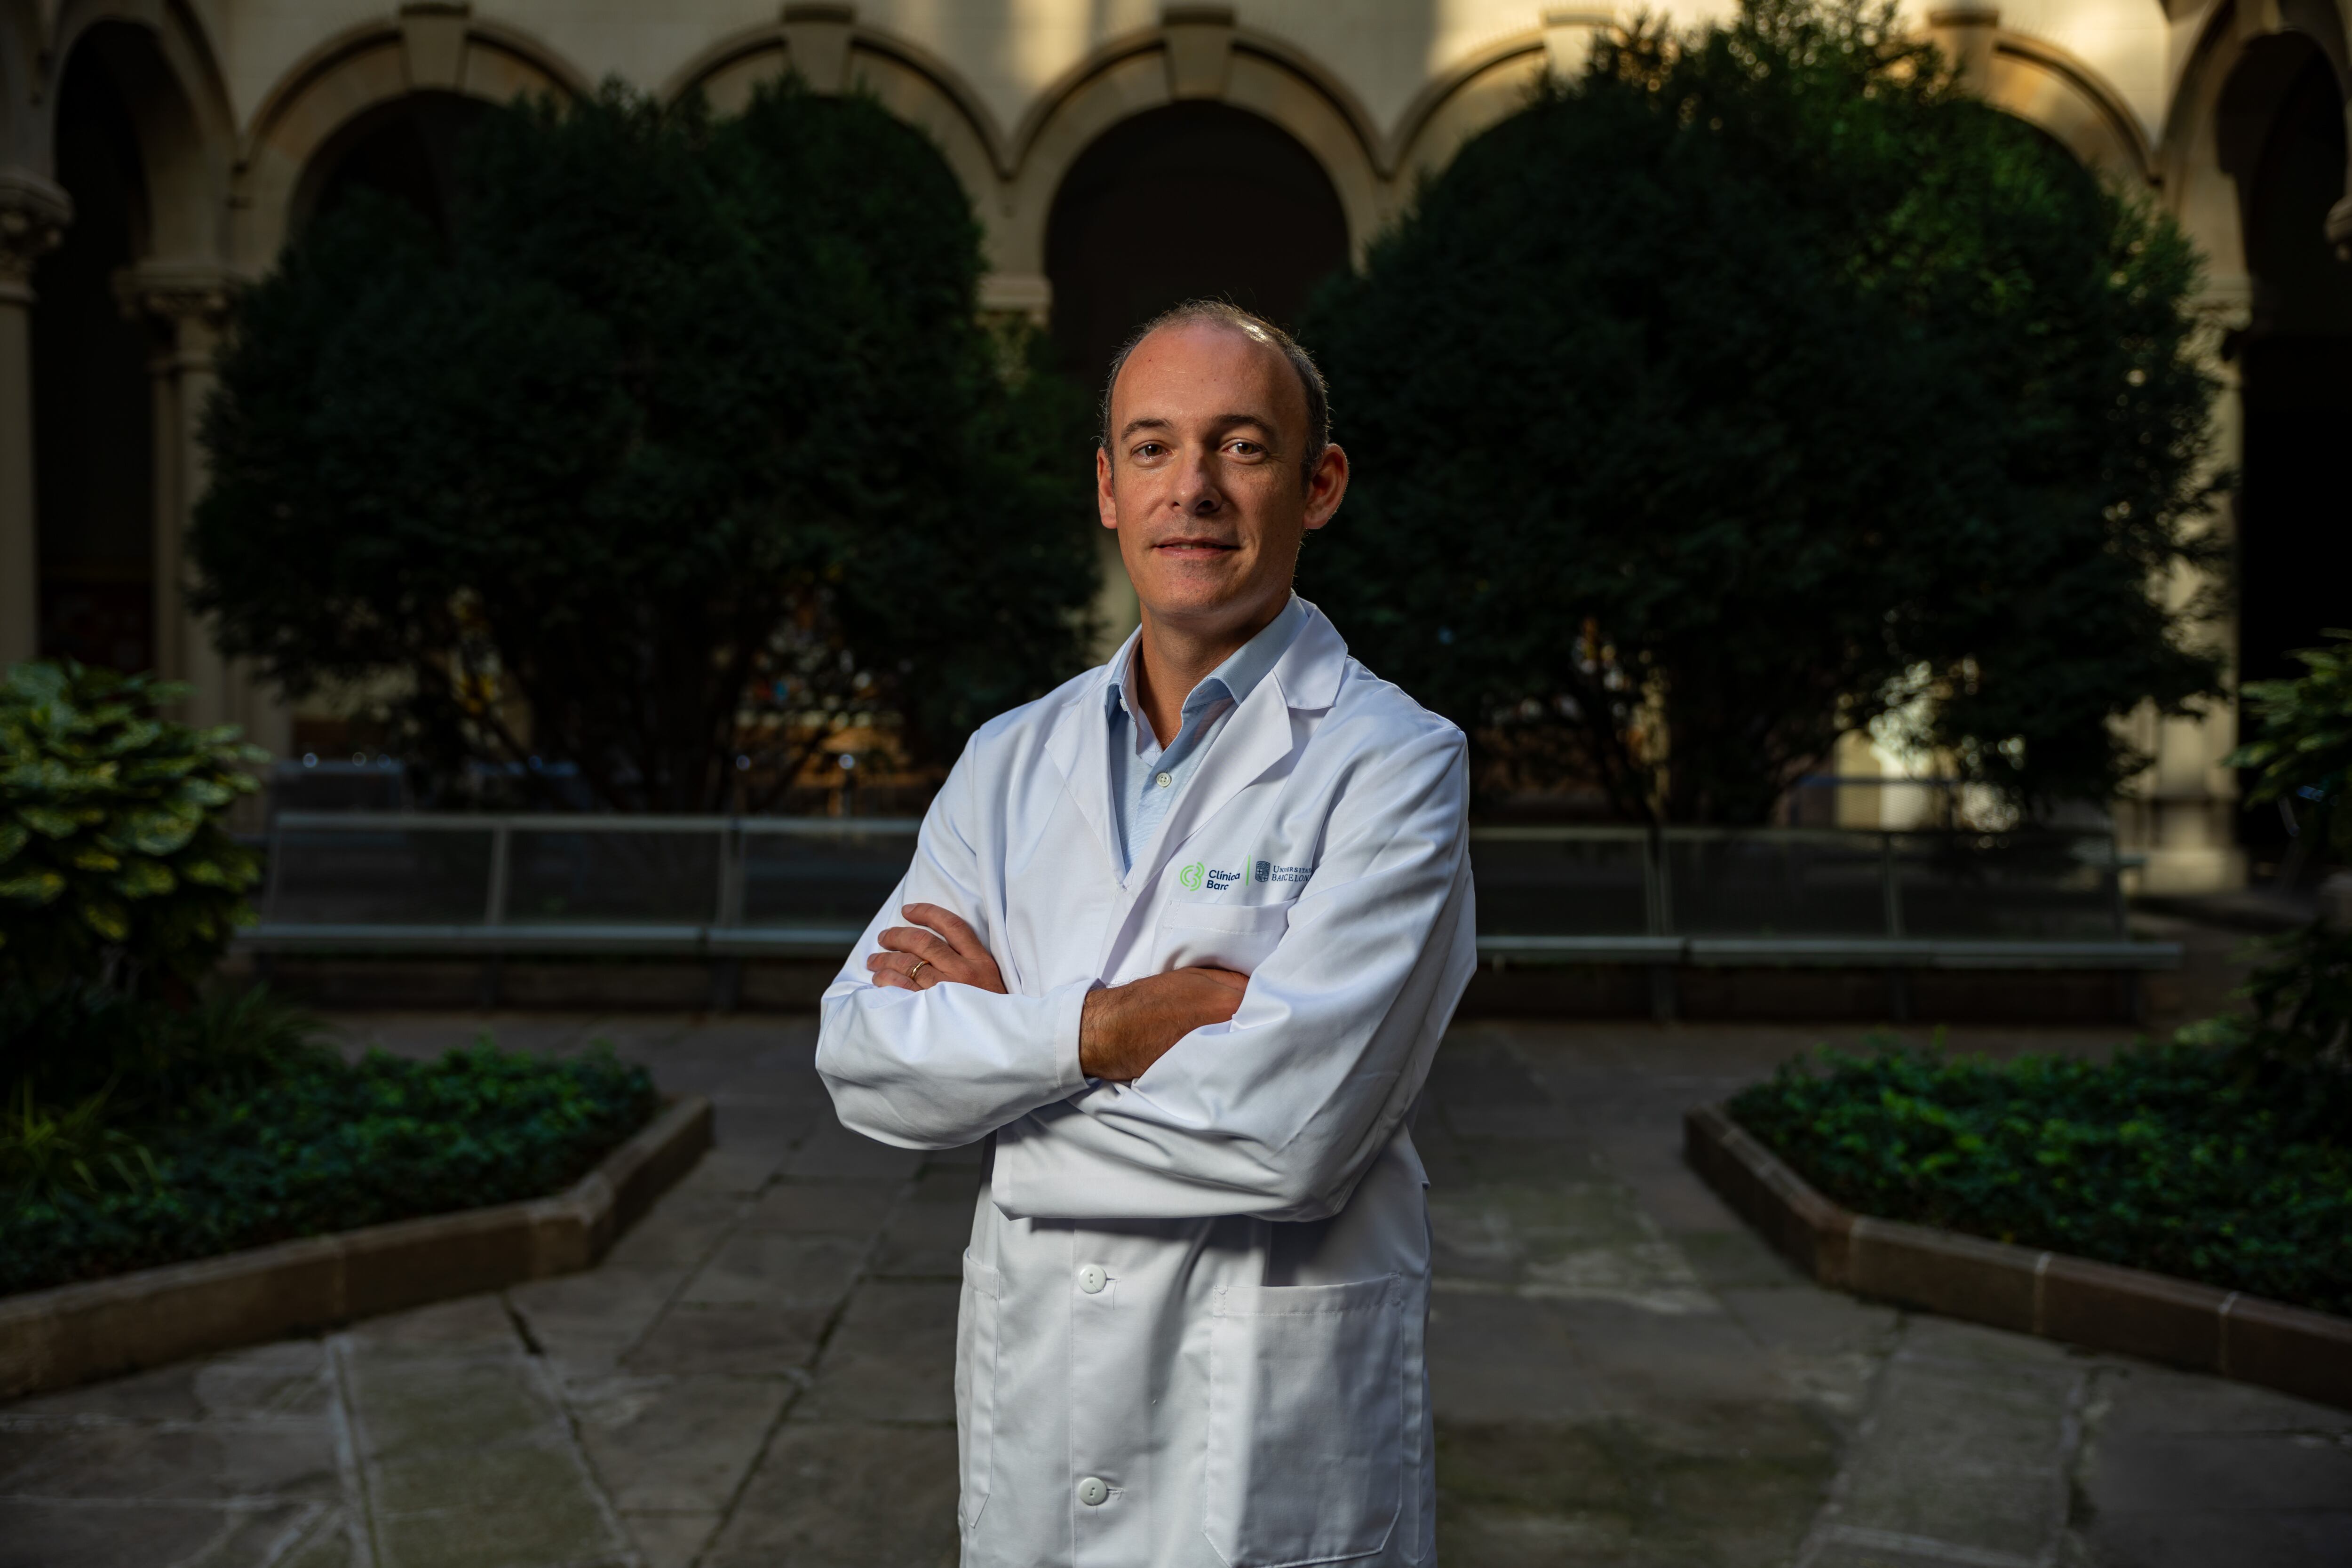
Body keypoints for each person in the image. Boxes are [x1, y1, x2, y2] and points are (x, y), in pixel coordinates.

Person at [816, 300, 1475, 1568]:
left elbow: (1289, 1141)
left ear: (1317, 483)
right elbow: (863, 1054)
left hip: (1267, 1435)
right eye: (1157, 449)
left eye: (1243, 446)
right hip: (1044, 1412)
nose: (1199, 491)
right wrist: (1114, 1028)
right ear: (1109, 490)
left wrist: (1000, 1086)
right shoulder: (1008, 761)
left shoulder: (1395, 763)